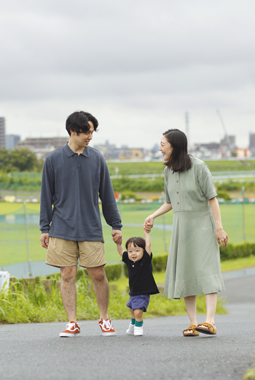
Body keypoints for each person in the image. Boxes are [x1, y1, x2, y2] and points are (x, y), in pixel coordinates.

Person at [40, 111, 123, 338]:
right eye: (86, 132)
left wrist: (115, 224)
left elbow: (107, 195)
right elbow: (46, 196)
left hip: (90, 227)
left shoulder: (97, 159)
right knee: (67, 275)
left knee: (98, 274)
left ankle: (104, 318)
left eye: (92, 132)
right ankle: (72, 322)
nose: (90, 136)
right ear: (72, 131)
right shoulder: (53, 160)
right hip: (61, 227)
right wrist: (44, 228)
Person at [143, 129, 228, 337]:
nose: (160, 149)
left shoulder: (199, 167)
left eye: (163, 144)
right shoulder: (168, 171)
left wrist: (219, 227)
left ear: (175, 146)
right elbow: (170, 202)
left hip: (203, 225)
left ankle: (210, 321)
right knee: (186, 271)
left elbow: (212, 199)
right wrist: (153, 215)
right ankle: (193, 323)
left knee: (207, 270)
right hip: (182, 227)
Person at [115, 228, 159, 337]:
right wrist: (118, 244)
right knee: (132, 309)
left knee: (138, 311)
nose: (133, 253)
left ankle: (138, 327)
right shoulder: (129, 260)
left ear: (143, 251)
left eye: (137, 250)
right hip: (133, 292)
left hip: (143, 292)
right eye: (130, 251)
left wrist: (146, 233)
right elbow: (121, 251)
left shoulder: (145, 259)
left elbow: (148, 245)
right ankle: (132, 325)